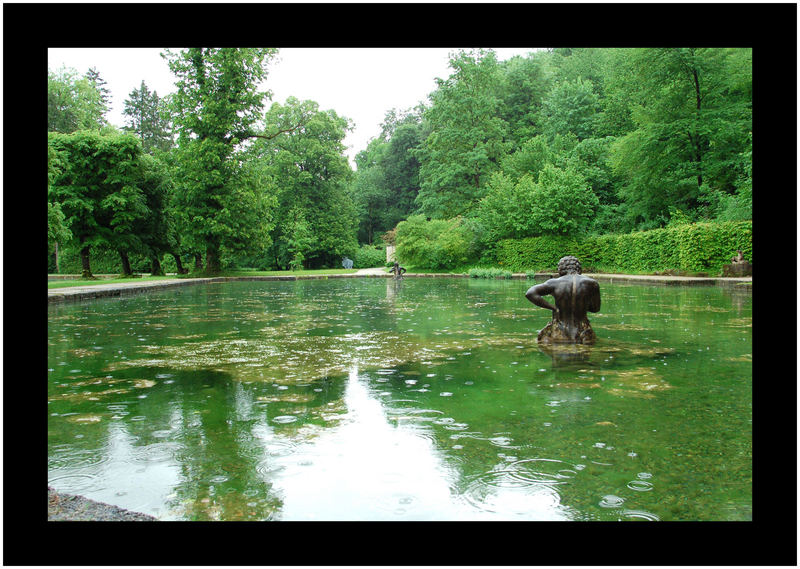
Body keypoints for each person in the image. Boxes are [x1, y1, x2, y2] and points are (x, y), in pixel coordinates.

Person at [525, 255, 601, 344]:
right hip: (583, 332)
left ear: (561, 269)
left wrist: (554, 308)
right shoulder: (592, 283)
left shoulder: (554, 282)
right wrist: (581, 305)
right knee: (583, 355)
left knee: (557, 353)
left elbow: (530, 293)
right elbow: (596, 309)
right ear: (579, 268)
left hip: (560, 331)